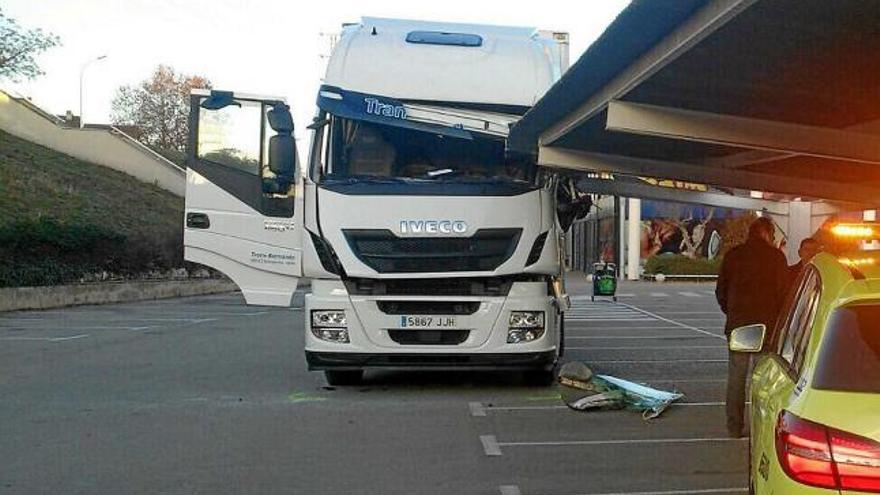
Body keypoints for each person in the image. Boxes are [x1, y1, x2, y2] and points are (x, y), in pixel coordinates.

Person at [715, 217, 788, 438]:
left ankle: (734, 426)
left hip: (738, 325)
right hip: (766, 325)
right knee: (762, 379)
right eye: (773, 235)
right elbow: (783, 293)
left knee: (736, 377)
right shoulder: (775, 257)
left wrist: (733, 312)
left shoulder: (733, 256)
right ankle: (759, 427)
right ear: (766, 233)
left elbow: (721, 291)